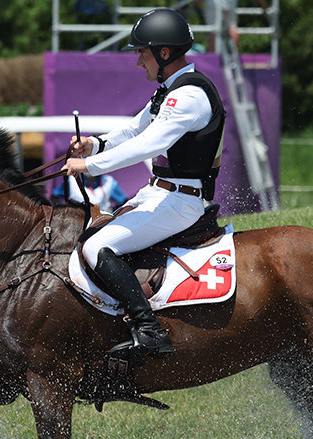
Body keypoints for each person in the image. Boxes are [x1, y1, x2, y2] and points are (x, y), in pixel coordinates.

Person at [62, 8, 226, 358]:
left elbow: (148, 144)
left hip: (181, 202)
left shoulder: (189, 96)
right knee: (94, 234)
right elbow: (135, 128)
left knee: (96, 249)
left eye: (143, 53)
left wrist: (89, 164)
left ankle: (148, 330)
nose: (140, 62)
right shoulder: (171, 90)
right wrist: (96, 143)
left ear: (164, 53)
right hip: (160, 193)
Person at [50, 173, 127, 212]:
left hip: (103, 224)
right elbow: (54, 197)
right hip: (78, 224)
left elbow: (124, 202)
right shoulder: (71, 181)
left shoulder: (109, 182)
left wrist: (113, 212)